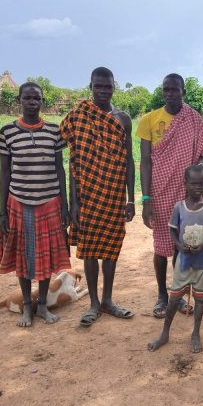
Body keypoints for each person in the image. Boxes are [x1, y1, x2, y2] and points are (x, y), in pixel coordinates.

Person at [60, 67, 136, 327]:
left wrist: (131, 199)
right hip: (87, 195)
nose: (103, 91)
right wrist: (74, 203)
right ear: (90, 86)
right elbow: (73, 162)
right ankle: (93, 302)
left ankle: (108, 300)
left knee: (111, 250)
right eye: (98, 87)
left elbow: (130, 161)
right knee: (90, 250)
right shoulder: (78, 116)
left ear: (114, 87)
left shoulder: (123, 119)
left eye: (108, 87)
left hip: (114, 194)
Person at [0, 82, 70, 327]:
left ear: (42, 102)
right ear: (19, 100)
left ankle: (42, 307)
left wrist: (65, 206)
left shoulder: (53, 131)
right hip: (19, 203)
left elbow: (60, 169)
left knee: (45, 258)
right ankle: (27, 306)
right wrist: (2, 210)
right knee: (23, 257)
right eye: (27, 98)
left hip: (49, 202)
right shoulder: (7, 132)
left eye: (36, 98)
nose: (32, 102)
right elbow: (5, 172)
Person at [138, 74, 203, 318]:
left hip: (186, 194)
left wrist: (194, 180)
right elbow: (145, 162)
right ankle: (161, 295)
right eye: (166, 90)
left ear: (183, 91)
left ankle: (177, 294)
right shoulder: (149, 119)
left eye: (175, 90)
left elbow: (201, 155)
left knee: (182, 245)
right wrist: (146, 200)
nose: (170, 94)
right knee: (160, 247)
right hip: (159, 192)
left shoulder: (194, 119)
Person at [147, 165, 203, 353]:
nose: (198, 187)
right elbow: (172, 229)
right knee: (173, 299)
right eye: (194, 184)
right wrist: (179, 247)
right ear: (185, 184)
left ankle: (195, 333)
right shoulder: (179, 207)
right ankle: (165, 332)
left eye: (202, 184)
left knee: (200, 300)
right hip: (184, 261)